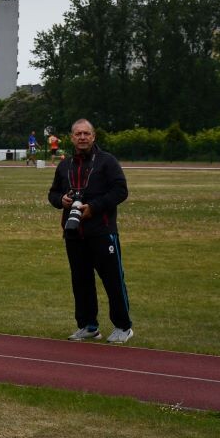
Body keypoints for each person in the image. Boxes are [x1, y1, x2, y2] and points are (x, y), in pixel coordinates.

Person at [47, 119, 134, 344]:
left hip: (102, 230)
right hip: (74, 232)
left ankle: (123, 326)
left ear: (93, 136)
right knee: (81, 281)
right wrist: (62, 200)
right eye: (78, 134)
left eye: (86, 133)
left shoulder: (107, 161)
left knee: (113, 280)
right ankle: (88, 325)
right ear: (72, 137)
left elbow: (121, 191)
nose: (82, 137)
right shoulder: (64, 165)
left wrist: (94, 207)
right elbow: (53, 194)